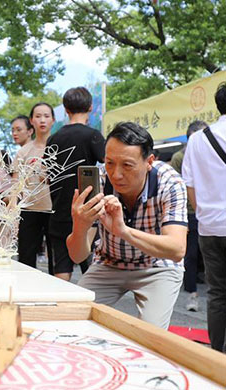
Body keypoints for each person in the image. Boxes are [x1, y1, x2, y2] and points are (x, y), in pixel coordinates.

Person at [67, 122, 187, 329]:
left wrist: (123, 231)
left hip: (157, 266)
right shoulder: (99, 183)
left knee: (151, 334)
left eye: (127, 165)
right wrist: (80, 224)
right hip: (108, 263)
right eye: (110, 163)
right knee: (73, 316)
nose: (116, 174)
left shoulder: (170, 183)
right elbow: (77, 256)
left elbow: (176, 250)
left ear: (149, 161)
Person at [182, 82, 226, 352]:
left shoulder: (198, 139)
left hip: (209, 227)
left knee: (217, 294)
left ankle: (216, 353)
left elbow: (190, 184)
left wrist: (203, 215)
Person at [47, 87, 105, 280]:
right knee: (90, 265)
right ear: (90, 107)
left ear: (65, 109)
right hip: (86, 209)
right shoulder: (93, 135)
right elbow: (109, 164)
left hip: (58, 209)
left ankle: (62, 307)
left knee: (61, 266)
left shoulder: (53, 139)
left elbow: (48, 176)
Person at [170, 120, 208, 311]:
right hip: (190, 213)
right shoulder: (179, 157)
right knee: (191, 254)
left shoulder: (209, 154)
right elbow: (179, 186)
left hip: (209, 212)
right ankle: (192, 294)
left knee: (207, 254)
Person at [14, 103, 54, 269]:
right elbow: (15, 184)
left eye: (46, 116)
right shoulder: (23, 152)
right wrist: (13, 208)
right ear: (32, 121)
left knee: (56, 258)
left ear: (53, 120)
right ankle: (25, 293)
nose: (42, 120)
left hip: (54, 210)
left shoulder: (60, 147)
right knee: (26, 258)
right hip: (29, 210)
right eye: (38, 116)